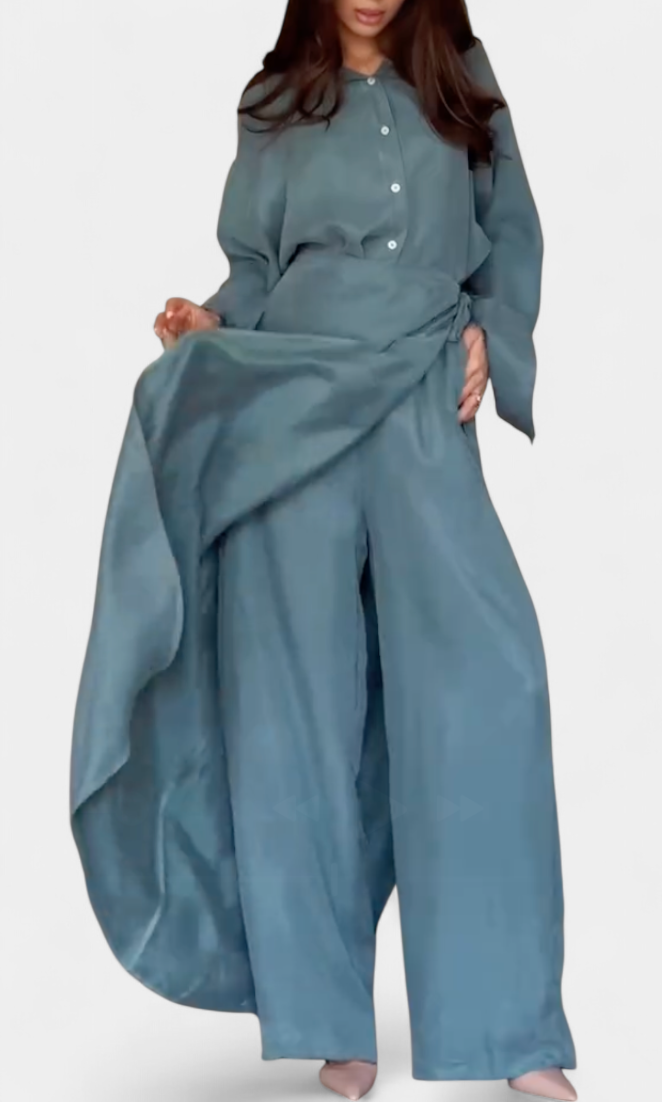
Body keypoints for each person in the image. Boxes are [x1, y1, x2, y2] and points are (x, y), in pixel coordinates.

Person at [70, 1, 578, 1099]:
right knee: (295, 714)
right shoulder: (274, 103)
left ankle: (509, 1027)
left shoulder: (464, 89)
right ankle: (329, 1017)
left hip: (421, 396)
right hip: (289, 408)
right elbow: (255, 271)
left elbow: (512, 236)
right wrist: (208, 328)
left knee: (488, 689)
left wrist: (492, 332)